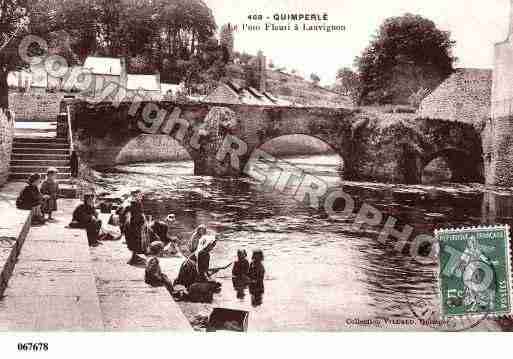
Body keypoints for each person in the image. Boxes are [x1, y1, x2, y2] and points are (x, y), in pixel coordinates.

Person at [124, 194, 150, 266]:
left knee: (133, 243)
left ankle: (134, 256)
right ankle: (134, 258)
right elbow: (142, 222)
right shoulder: (137, 215)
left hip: (131, 232)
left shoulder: (131, 214)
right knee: (136, 242)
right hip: (134, 233)